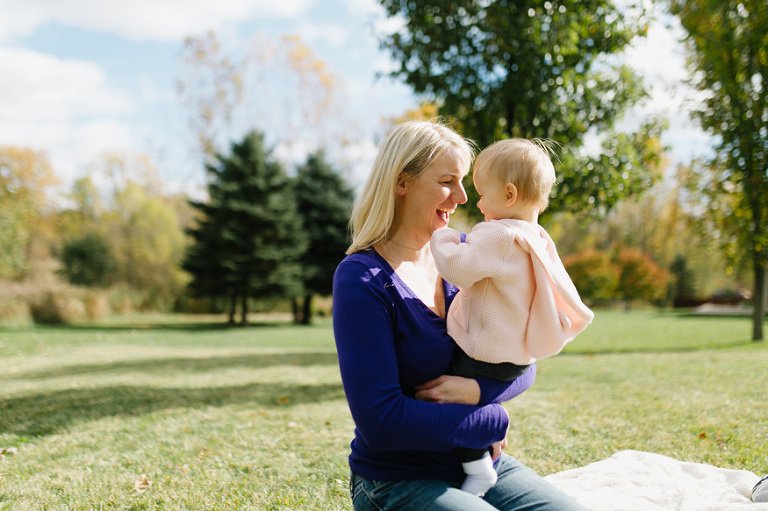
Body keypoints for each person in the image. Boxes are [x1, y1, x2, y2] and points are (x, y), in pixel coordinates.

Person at [332, 120, 587, 511]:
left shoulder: (466, 262)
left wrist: (478, 392)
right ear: (402, 182)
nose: (463, 197)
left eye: (464, 182)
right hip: (398, 481)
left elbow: (521, 359)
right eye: (448, 181)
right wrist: (493, 419)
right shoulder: (362, 278)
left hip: (483, 465)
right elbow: (381, 423)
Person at [430, 138, 595, 496]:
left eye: (480, 193)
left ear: (508, 195)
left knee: (456, 397)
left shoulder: (498, 235)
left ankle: (477, 469)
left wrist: (442, 238)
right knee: (478, 398)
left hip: (481, 352)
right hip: (515, 357)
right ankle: (487, 453)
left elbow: (459, 268)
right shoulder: (536, 237)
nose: (476, 201)